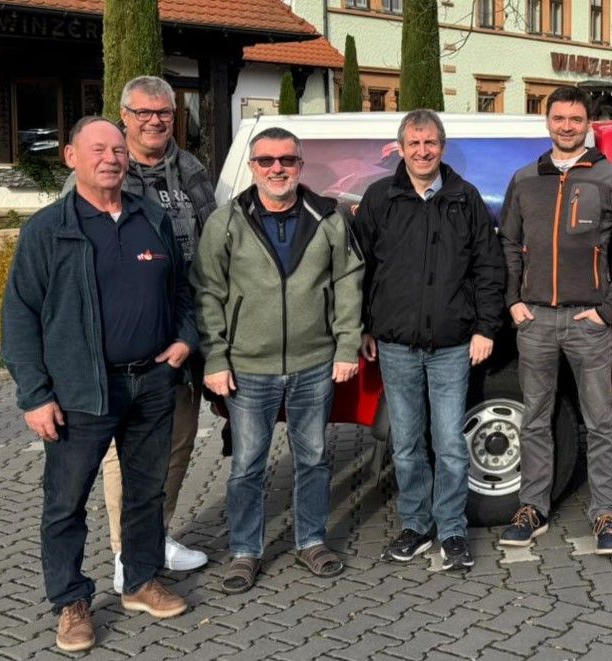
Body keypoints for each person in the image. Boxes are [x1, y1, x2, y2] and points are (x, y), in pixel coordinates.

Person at [2, 116, 195, 652]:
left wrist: (184, 339)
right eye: (98, 149)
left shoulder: (149, 217)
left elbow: (181, 289)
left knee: (146, 491)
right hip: (79, 391)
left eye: (118, 150)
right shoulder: (49, 229)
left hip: (152, 382)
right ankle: (70, 602)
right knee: (66, 502)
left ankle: (140, 581)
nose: (111, 158)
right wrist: (35, 395)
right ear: (71, 157)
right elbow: (18, 315)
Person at [191, 127, 364, 591]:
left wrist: (347, 345)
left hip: (314, 363)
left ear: (300, 166)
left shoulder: (328, 217)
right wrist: (215, 358)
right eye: (266, 160)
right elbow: (207, 292)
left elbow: (349, 282)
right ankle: (245, 551)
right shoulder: (226, 221)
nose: (277, 168)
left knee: (314, 458)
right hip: (248, 367)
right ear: (253, 167)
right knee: (247, 465)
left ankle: (311, 541)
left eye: (287, 160)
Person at [63, 75, 216, 591]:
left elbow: (214, 243)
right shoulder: (104, 169)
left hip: (182, 335)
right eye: (144, 112)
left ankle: (156, 536)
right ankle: (125, 553)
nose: (155, 121)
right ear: (125, 116)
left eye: (164, 113)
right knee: (122, 457)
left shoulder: (191, 170)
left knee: (177, 443)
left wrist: (199, 332)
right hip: (120, 346)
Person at [353, 110, 505, 570]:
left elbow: (488, 267)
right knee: (405, 445)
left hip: (452, 345)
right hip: (395, 344)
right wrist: (363, 324)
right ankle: (416, 526)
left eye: (431, 143)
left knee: (450, 445)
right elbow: (360, 267)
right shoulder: (380, 198)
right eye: (414, 143)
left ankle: (453, 530)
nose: (423, 151)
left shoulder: (465, 197)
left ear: (442, 146)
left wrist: (485, 327)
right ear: (400, 149)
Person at [498, 86, 612, 554]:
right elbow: (507, 243)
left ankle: (606, 513)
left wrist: (608, 310)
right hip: (535, 319)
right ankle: (532, 508)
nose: (566, 126)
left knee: (600, 422)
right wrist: (513, 301)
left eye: (575, 119)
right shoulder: (525, 179)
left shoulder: (611, 179)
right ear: (548, 122)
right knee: (535, 419)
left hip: (588, 321)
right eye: (559, 118)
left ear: (587, 125)